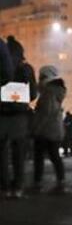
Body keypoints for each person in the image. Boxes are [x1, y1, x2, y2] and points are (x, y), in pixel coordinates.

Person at [1, 36, 36, 199]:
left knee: (2, 153)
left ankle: (4, 187)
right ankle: (18, 187)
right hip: (19, 117)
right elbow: (33, 94)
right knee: (18, 153)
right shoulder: (26, 69)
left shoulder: (2, 66)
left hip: (1, 114)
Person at [31, 66, 66, 194]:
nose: (38, 80)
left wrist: (36, 128)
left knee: (40, 157)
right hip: (53, 130)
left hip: (46, 130)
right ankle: (60, 182)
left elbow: (46, 112)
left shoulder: (49, 92)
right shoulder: (55, 91)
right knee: (54, 156)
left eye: (40, 77)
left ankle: (38, 183)